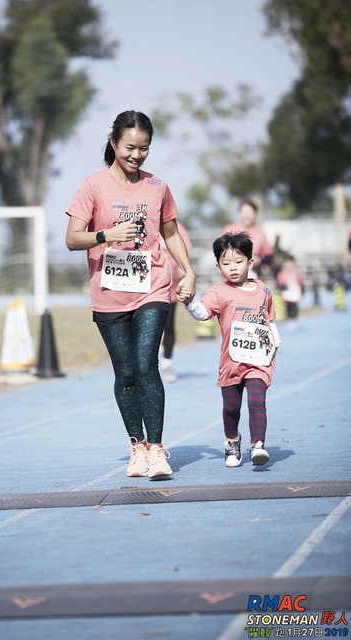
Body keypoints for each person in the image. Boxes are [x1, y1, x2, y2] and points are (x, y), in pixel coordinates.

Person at [65, 110, 196, 478]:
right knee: (125, 375)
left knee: (145, 364)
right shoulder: (92, 187)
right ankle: (136, 446)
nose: (137, 155)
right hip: (109, 293)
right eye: (129, 148)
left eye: (144, 148)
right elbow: (72, 238)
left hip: (152, 286)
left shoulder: (158, 187)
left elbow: (169, 233)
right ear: (113, 143)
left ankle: (156, 449)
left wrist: (188, 269)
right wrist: (107, 235)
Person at [183, 231, 281, 467]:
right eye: (226, 263)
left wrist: (275, 343)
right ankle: (232, 440)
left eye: (238, 262)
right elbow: (203, 313)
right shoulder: (219, 292)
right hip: (231, 362)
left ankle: (257, 444)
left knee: (256, 400)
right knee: (231, 407)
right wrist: (188, 302)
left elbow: (270, 320)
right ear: (218, 267)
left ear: (250, 262)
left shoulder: (263, 291)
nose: (233, 268)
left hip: (259, 360)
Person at [160, 220, 193, 383]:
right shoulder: (144, 221)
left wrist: (184, 269)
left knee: (168, 326)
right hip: (147, 286)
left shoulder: (177, 226)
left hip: (171, 287)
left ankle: (167, 364)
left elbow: (184, 249)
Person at [222, 199, 273, 277]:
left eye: (250, 212)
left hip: (253, 278)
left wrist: (259, 260)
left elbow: (268, 255)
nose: (247, 215)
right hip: (231, 278)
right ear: (239, 213)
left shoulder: (259, 232)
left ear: (255, 214)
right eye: (244, 212)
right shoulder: (228, 230)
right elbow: (220, 252)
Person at [275, 255, 305, 330]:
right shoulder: (282, 272)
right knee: (287, 307)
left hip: (295, 293)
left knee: (294, 306)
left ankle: (293, 319)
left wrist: (301, 290)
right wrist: (282, 287)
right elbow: (279, 281)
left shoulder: (296, 272)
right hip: (286, 293)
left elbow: (300, 281)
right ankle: (288, 319)